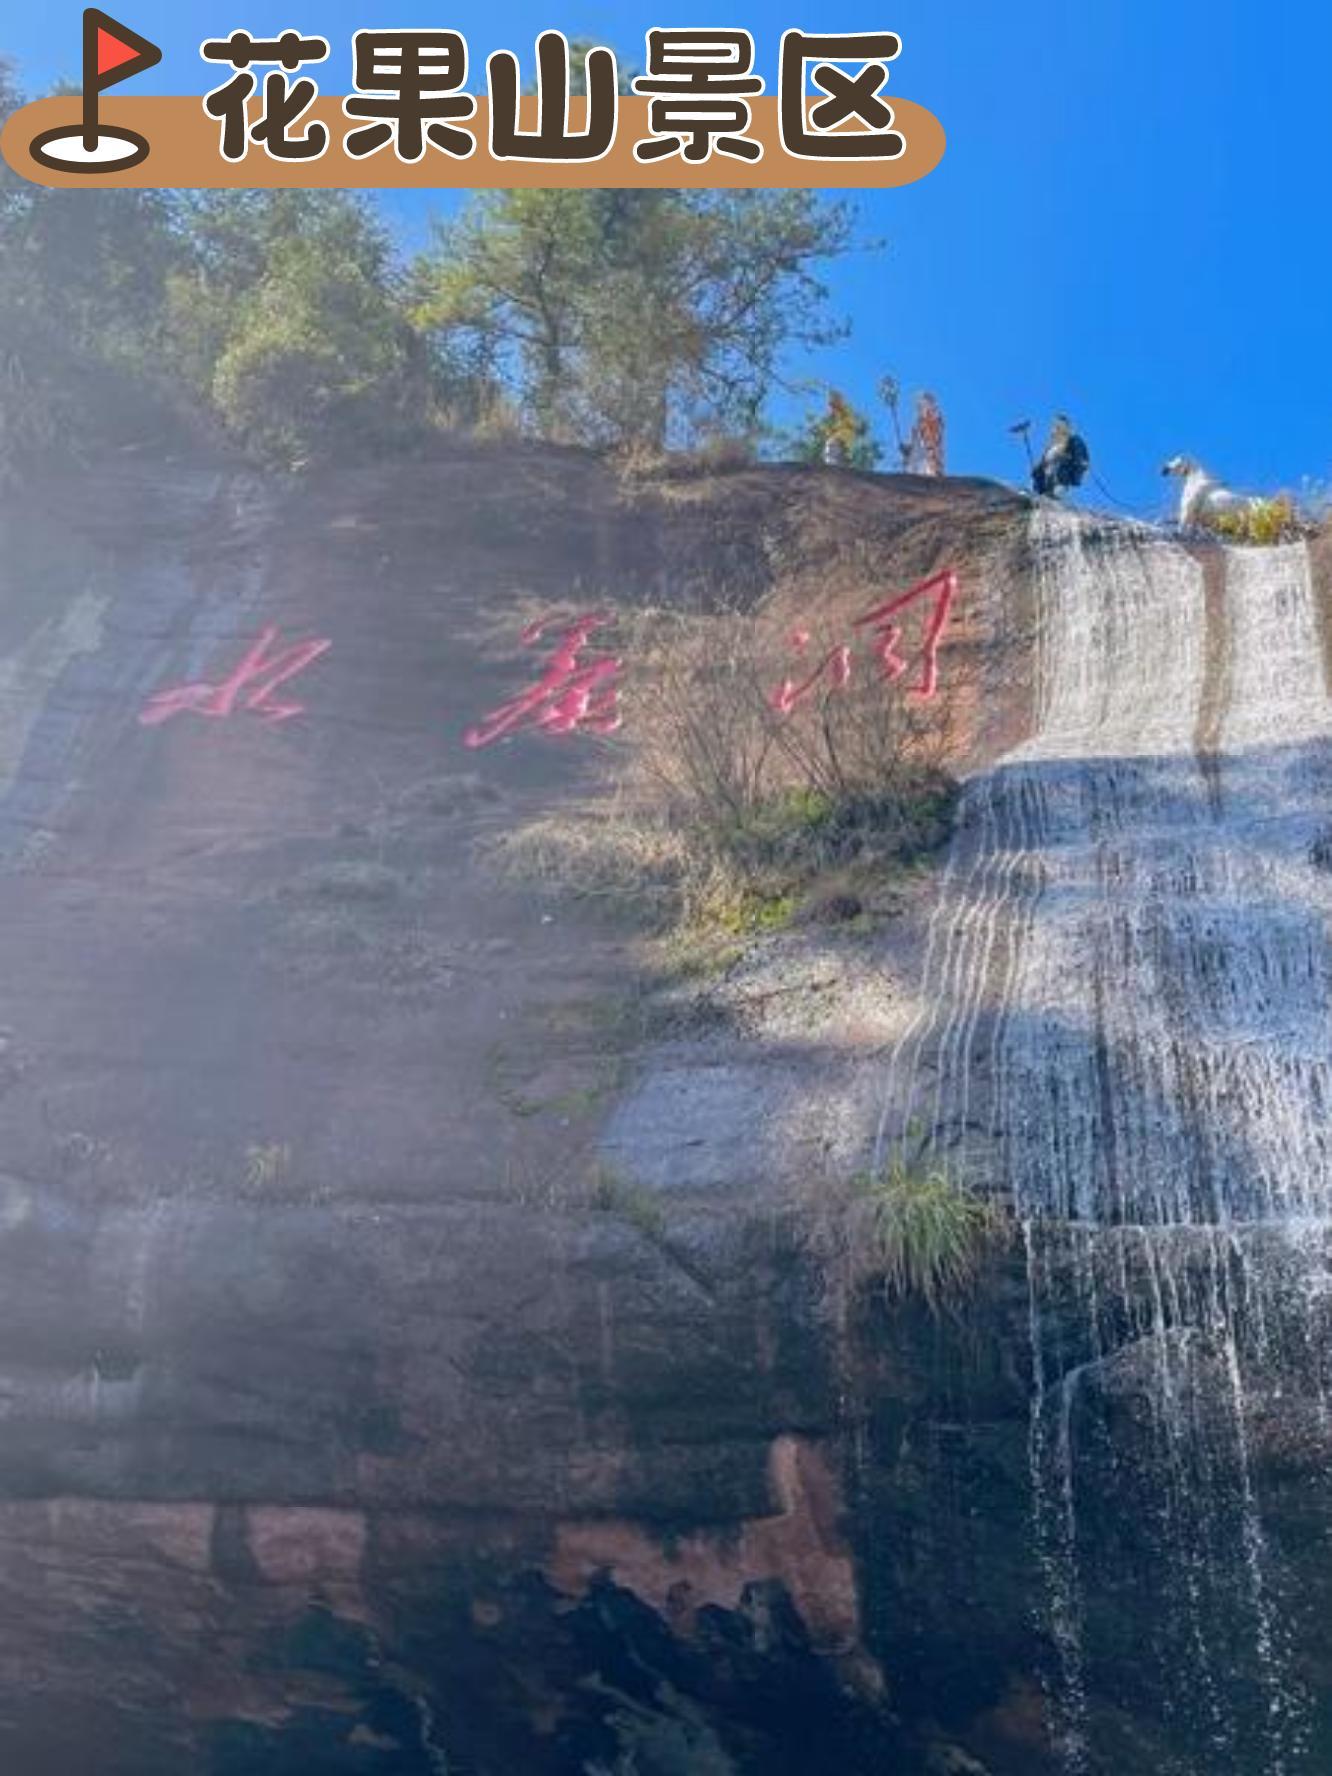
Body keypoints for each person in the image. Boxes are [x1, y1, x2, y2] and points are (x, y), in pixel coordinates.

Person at [1033, 414, 1091, 498]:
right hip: (1047, 475)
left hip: (1062, 475)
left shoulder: (1074, 440)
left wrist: (1078, 466)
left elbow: (1080, 459)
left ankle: (1056, 492)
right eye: (1056, 426)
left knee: (1055, 491)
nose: (1057, 429)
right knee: (1037, 471)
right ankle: (1037, 491)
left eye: (1060, 426)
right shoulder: (1052, 444)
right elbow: (1044, 460)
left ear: (1066, 427)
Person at [912, 391, 946, 477]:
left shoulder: (934, 417)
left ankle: (935, 470)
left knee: (932, 460)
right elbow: (916, 441)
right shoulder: (919, 421)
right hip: (922, 455)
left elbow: (936, 434)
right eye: (920, 406)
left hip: (931, 451)